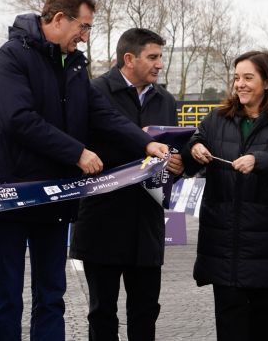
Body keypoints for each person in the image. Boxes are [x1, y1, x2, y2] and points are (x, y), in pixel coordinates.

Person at [0, 0, 170, 341]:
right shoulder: (10, 58)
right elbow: (18, 119)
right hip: (10, 194)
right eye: (83, 27)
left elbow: (102, 114)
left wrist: (146, 143)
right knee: (7, 297)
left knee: (52, 296)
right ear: (57, 19)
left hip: (55, 196)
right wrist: (77, 153)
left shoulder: (75, 64)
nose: (84, 36)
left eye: (88, 29)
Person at [70, 28, 184, 341]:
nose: (160, 64)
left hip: (146, 224)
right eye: (153, 57)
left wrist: (179, 163)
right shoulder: (94, 93)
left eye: (161, 57)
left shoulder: (166, 101)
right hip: (101, 220)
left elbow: (174, 152)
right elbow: (75, 147)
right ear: (129, 58)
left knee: (146, 311)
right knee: (102, 312)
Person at [183, 50, 268, 341]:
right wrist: (194, 148)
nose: (240, 84)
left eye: (249, 77)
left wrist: (259, 160)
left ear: (267, 82)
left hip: (265, 250)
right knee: (229, 328)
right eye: (237, 78)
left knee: (261, 328)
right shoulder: (216, 118)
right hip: (222, 248)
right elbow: (189, 151)